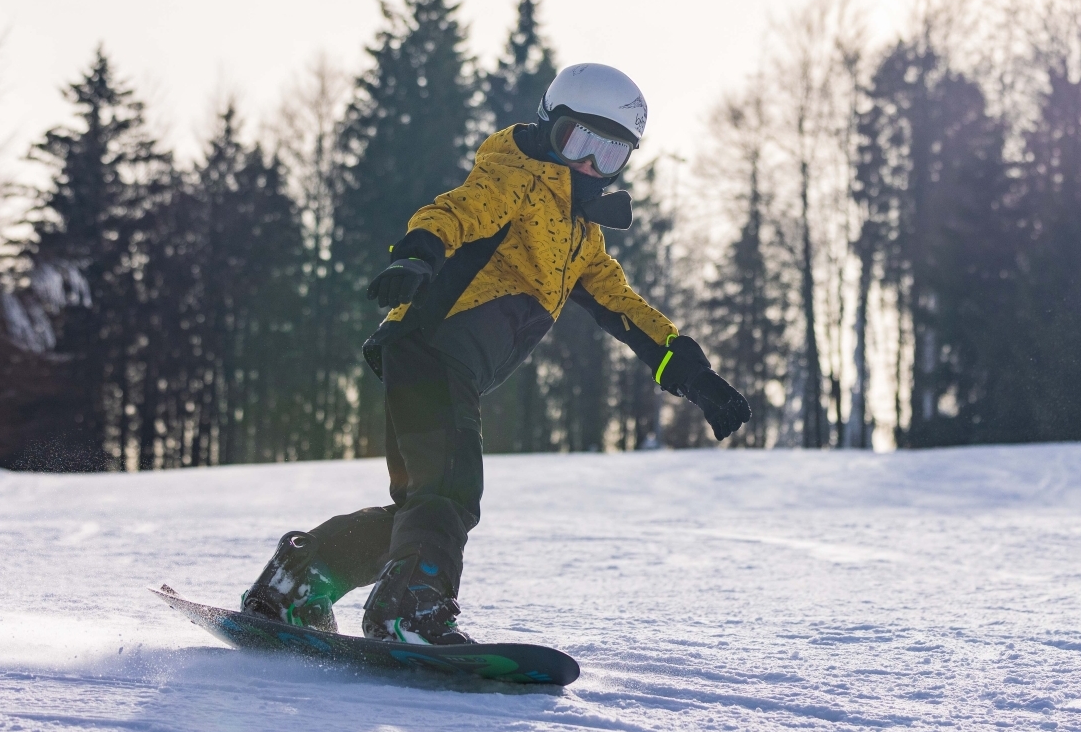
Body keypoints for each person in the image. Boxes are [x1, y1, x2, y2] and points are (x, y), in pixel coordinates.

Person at [238, 63, 752, 645]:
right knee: (450, 493)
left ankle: (296, 583)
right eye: (578, 140)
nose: (588, 164)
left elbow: (624, 309)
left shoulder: (581, 236)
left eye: (609, 155)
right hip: (435, 347)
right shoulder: (516, 179)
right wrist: (417, 255)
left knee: (425, 508)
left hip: (436, 363)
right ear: (548, 126)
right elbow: (455, 212)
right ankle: (410, 610)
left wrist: (695, 376)